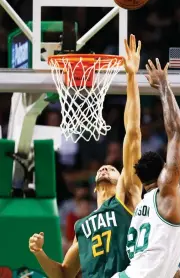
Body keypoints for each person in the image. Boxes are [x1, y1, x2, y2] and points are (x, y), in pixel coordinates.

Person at [28, 34, 143, 278]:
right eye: (104, 168)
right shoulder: (84, 226)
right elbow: (63, 274)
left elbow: (132, 134)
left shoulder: (128, 196)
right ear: (92, 189)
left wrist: (132, 77)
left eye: (112, 168)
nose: (105, 168)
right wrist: (39, 253)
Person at [113, 58, 180, 278]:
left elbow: (166, 264)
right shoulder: (167, 192)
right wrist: (163, 86)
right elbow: (177, 133)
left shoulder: (141, 207)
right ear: (165, 172)